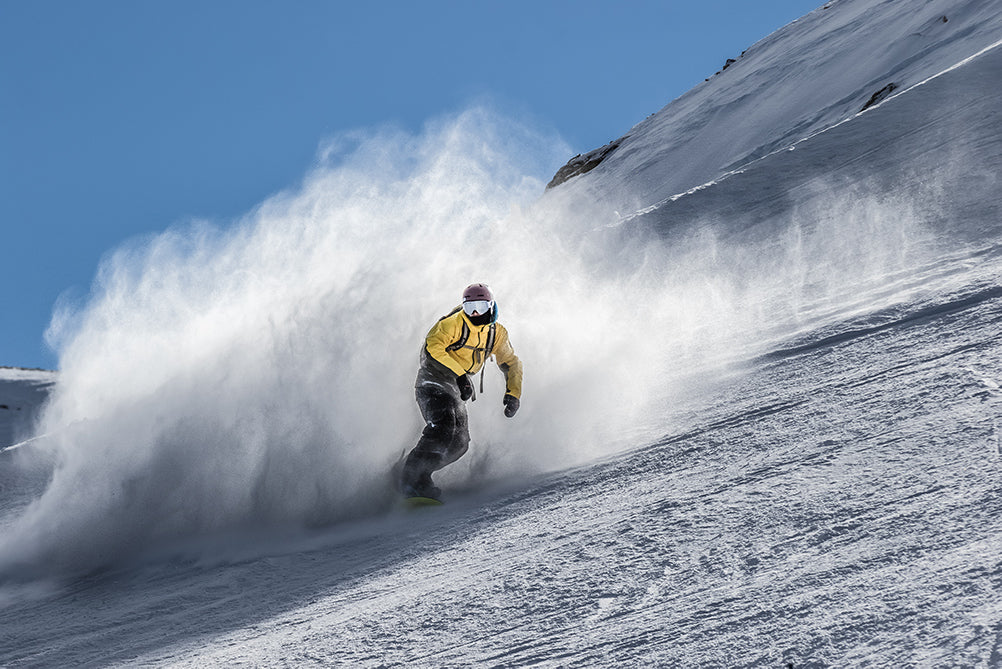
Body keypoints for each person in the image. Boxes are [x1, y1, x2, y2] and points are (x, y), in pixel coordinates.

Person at [399, 283, 523, 500]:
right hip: (432, 382)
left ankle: (419, 471)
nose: (475, 313)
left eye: (481, 307)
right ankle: (411, 480)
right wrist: (460, 375)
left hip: (456, 389)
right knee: (444, 426)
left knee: (460, 443)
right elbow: (433, 346)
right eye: (470, 307)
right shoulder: (452, 324)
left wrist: (513, 393)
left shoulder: (496, 334)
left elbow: (511, 363)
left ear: (491, 306)